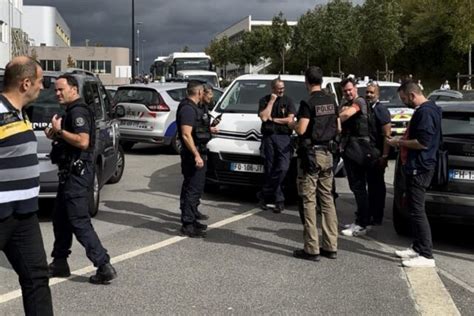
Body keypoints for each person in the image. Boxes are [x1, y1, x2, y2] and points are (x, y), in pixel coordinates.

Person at [46, 74, 117, 284]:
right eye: (56, 90)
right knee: (60, 219)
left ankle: (103, 265)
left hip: (77, 176)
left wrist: (60, 132)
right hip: (69, 174)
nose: (57, 93)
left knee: (79, 221)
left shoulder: (78, 111)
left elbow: (83, 141)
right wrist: (56, 135)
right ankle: (59, 262)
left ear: (74, 90)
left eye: (61, 90)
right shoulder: (71, 110)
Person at [0, 56, 53, 315]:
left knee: (37, 277)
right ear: (25, 83)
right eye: (40, 82)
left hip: (24, 213)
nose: (42, 87)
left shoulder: (20, 113)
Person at [387, 81, 441, 268]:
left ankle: (426, 255)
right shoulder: (430, 109)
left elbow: (422, 142)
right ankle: (417, 247)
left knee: (417, 211)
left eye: (404, 99)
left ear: (411, 95)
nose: (404, 103)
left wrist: (399, 143)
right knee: (412, 208)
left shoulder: (425, 112)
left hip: (420, 166)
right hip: (418, 165)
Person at [289, 66, 339, 261]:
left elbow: (301, 130)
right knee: (327, 200)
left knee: (309, 201)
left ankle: (312, 248)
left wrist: (291, 123)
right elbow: (338, 126)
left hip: (311, 156)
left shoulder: (307, 103)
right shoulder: (331, 100)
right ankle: (331, 246)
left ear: (307, 82)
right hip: (329, 153)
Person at [176, 81, 218, 237]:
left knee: (195, 188)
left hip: (199, 152)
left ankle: (192, 219)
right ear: (200, 92)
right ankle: (188, 224)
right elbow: (186, 135)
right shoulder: (188, 109)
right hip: (193, 155)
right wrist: (196, 155)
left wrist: (209, 129)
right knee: (192, 189)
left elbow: (195, 130)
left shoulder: (194, 108)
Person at [338, 77, 374, 237]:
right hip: (351, 149)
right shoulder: (347, 102)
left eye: (350, 89)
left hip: (358, 150)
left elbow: (345, 115)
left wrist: (331, 120)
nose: (348, 93)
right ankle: (361, 219)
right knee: (356, 187)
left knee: (359, 187)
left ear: (356, 88)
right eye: (345, 91)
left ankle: (362, 223)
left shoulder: (359, 102)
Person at [257, 78, 296, 213]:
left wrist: (273, 119)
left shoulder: (288, 101)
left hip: (284, 137)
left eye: (283, 88)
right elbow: (263, 117)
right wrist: (272, 102)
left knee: (283, 167)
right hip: (268, 137)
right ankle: (278, 200)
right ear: (272, 88)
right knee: (270, 168)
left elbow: (290, 119)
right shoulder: (264, 100)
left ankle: (264, 192)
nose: (281, 90)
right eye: (279, 88)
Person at [365, 82, 392, 225]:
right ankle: (371, 213)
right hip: (369, 154)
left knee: (377, 187)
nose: (369, 95)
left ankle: (377, 216)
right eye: (367, 92)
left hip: (377, 154)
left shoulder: (380, 110)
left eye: (371, 93)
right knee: (371, 185)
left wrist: (385, 156)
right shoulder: (368, 109)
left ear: (378, 94)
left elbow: (387, 134)